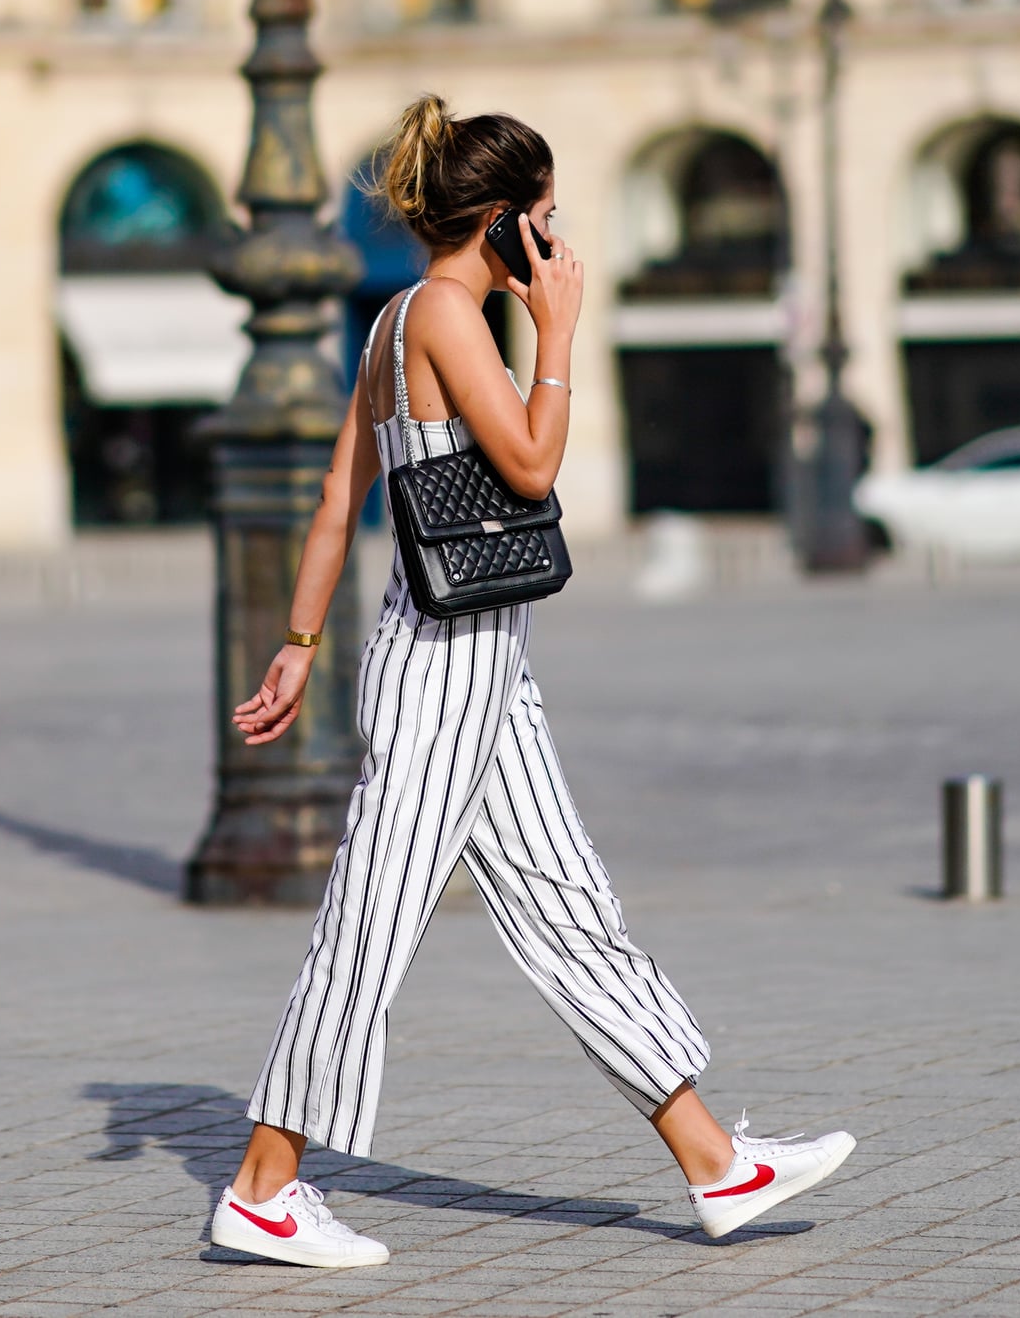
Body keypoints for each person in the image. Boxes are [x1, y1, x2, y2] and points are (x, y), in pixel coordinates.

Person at [209, 96, 857, 1270]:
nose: (556, 242)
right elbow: (530, 463)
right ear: (501, 221)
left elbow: (332, 500)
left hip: (477, 660)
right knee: (369, 924)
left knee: (568, 906)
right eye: (544, 219)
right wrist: (558, 332)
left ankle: (717, 1164)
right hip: (443, 670)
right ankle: (262, 1186)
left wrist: (300, 645)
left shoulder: (388, 322)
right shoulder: (450, 315)